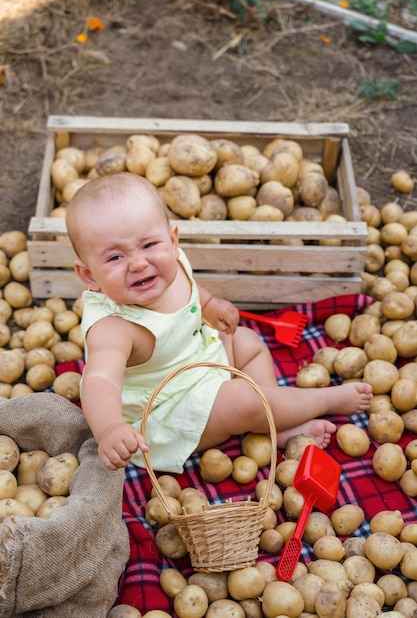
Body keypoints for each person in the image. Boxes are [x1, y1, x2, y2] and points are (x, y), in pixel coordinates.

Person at [66, 172, 373, 473]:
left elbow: (190, 292)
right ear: (90, 275)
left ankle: (271, 422)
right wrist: (109, 429)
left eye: (148, 245)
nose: (138, 263)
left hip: (200, 357)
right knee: (242, 399)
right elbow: (98, 381)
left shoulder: (167, 268)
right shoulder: (112, 327)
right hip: (169, 411)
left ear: (173, 242)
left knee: (248, 342)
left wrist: (211, 306)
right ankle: (325, 399)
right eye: (115, 258)